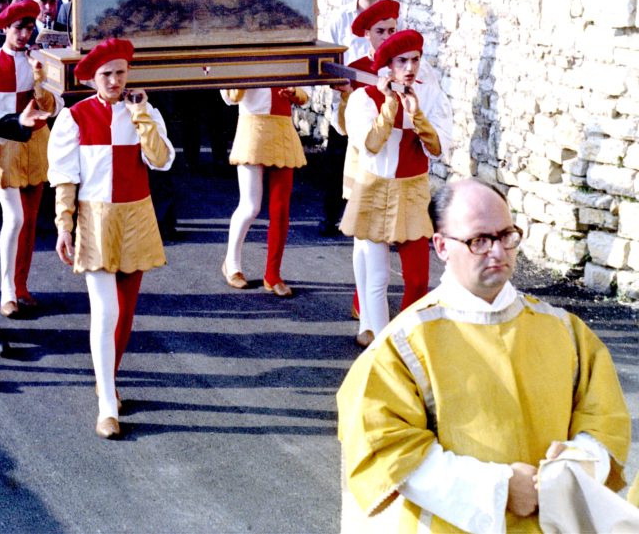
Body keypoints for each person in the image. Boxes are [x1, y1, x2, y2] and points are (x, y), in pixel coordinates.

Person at [337, 178, 631, 532]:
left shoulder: (563, 329)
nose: (498, 251)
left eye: (506, 235)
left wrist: (578, 460)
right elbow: (384, 449)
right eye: (479, 240)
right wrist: (499, 489)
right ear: (442, 246)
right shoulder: (402, 344)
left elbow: (604, 417)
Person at [48, 38, 174, 438]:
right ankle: (106, 406)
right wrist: (63, 225)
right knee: (106, 312)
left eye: (121, 72)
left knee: (126, 312)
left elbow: (162, 160)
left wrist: (141, 116)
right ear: (91, 78)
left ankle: (109, 381)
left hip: (136, 216)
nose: (115, 80)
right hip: (95, 219)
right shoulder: (74, 117)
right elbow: (65, 177)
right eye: (107, 74)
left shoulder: (145, 111)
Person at [340, 29, 452, 346]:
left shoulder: (430, 95)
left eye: (415, 59)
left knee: (418, 278)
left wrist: (416, 115)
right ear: (388, 64)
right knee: (377, 275)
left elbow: (438, 148)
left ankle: (406, 335)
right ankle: (377, 340)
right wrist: (390, 104)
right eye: (402, 60)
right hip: (375, 188)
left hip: (413, 190)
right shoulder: (364, 98)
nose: (410, 67)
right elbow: (370, 145)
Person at [0, 0, 62, 317]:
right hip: (3, 147)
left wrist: (39, 79)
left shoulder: (42, 62)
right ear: (5, 28)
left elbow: (55, 108)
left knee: (31, 221)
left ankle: (21, 286)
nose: (25, 34)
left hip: (37, 145)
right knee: (16, 218)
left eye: (29, 27)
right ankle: (6, 291)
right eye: (19, 27)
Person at [220, 84, 308, 296]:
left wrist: (294, 92)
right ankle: (231, 264)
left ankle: (273, 274)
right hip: (253, 129)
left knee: (280, 208)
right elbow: (230, 97)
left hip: (283, 131)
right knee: (250, 206)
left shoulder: (290, 55)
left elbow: (305, 96)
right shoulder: (240, 57)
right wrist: (244, 76)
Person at [319, 0, 383, 235]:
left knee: (375, 160)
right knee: (337, 160)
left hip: (377, 101)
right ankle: (330, 217)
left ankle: (374, 220)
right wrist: (336, 83)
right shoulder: (341, 19)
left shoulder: (390, 20)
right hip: (346, 100)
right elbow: (326, 57)